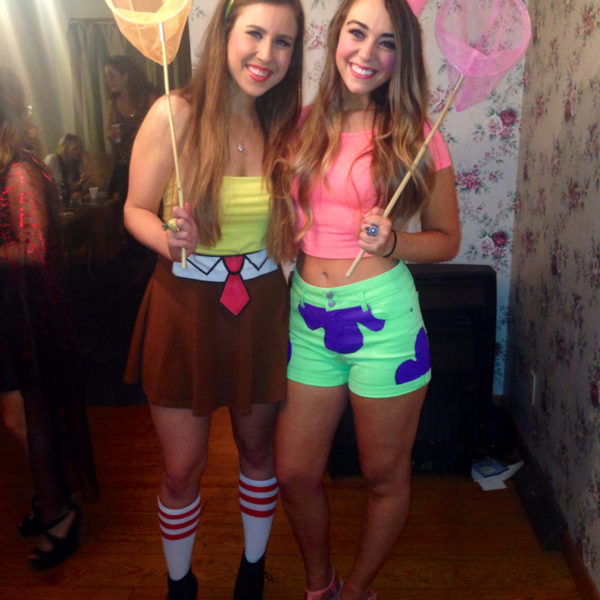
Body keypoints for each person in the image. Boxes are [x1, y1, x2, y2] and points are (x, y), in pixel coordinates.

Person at [274, 0, 461, 598]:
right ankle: (319, 585)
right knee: (294, 472)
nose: (367, 52)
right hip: (307, 317)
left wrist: (395, 241)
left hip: (385, 323)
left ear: (402, 57)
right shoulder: (300, 125)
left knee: (383, 474)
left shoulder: (418, 135)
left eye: (387, 42)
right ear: (336, 36)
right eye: (357, 32)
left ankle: (356, 590)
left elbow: (447, 240)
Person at [122, 1, 304, 598]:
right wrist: (168, 240)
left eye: (283, 41)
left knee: (257, 451)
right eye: (254, 33)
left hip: (261, 307)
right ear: (224, 32)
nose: (266, 54)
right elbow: (134, 209)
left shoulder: (286, 127)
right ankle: (181, 584)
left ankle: (252, 571)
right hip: (184, 307)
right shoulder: (173, 113)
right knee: (181, 469)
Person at [0, 67, 98, 570]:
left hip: (22, 316)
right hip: (11, 309)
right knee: (21, 417)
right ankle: (49, 498)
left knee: (27, 419)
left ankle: (60, 513)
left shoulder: (18, 170)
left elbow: (34, 249)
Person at [104, 55, 158, 203]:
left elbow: (160, 129)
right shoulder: (113, 103)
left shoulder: (147, 97)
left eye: (112, 75)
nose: (108, 80)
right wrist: (111, 134)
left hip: (149, 162)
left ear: (126, 76)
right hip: (125, 163)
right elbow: (109, 129)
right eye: (106, 76)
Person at [43, 133, 88, 202]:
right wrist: (80, 182)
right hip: (53, 198)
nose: (79, 151)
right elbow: (58, 188)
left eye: (80, 148)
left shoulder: (77, 161)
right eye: (75, 148)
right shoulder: (53, 160)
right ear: (65, 148)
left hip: (69, 197)